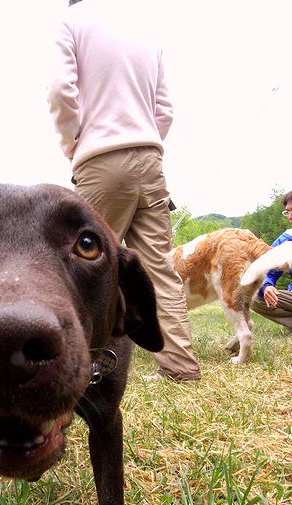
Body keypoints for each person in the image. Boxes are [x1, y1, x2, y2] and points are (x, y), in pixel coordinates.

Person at [47, 0, 201, 380]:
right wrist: (145, 139)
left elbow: (59, 90)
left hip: (99, 158)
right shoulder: (145, 32)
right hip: (150, 159)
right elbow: (164, 110)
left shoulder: (70, 21)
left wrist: (74, 144)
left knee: (86, 265)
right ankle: (179, 366)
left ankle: (87, 367)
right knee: (160, 270)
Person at [250, 192, 292, 330]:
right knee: (255, 296)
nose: (290, 217)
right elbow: (265, 269)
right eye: (287, 212)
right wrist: (267, 286)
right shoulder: (285, 240)